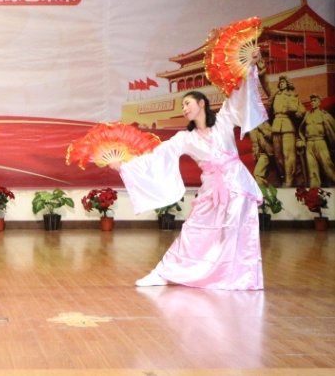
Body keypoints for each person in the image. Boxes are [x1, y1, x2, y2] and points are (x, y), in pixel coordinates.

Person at [112, 49, 268, 290]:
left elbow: (239, 94)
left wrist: (250, 66)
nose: (184, 108)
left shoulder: (224, 120)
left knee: (235, 231)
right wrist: (124, 165)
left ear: (202, 103)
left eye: (187, 103)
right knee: (194, 229)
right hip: (211, 188)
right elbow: (157, 156)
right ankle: (163, 273)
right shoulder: (185, 138)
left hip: (237, 184)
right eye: (182, 105)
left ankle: (237, 277)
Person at [266, 75, 305, 187]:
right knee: (278, 156)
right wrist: (262, 73)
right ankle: (283, 177)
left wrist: (296, 112)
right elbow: (266, 85)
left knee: (288, 154)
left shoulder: (292, 96)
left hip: (288, 126)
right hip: (276, 126)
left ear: (287, 84)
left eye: (283, 81)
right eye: (280, 82)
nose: (281, 83)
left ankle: (289, 179)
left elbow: (301, 111)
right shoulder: (275, 95)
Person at [297, 93, 335, 187]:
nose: (312, 102)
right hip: (309, 144)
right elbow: (301, 130)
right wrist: (300, 140)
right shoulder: (307, 115)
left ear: (319, 102)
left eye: (315, 100)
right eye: (311, 101)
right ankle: (314, 191)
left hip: (320, 142)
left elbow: (333, 129)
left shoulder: (325, 115)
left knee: (328, 166)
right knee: (312, 170)